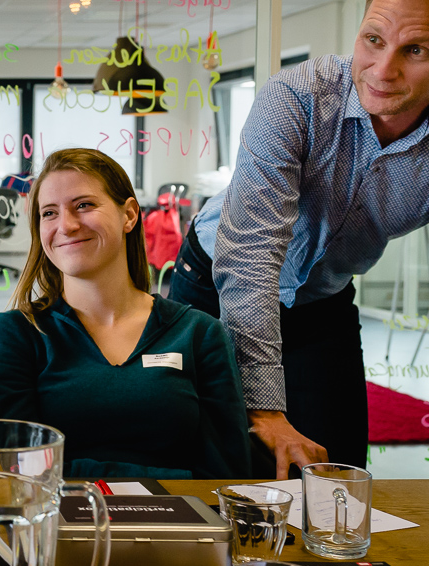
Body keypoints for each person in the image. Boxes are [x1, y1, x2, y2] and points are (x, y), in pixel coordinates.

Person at [168, 0, 429, 478]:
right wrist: (265, 411)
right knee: (203, 454)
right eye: (373, 40)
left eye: (415, 50)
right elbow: (252, 257)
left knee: (337, 469)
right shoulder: (295, 96)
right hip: (217, 275)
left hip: (323, 297)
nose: (383, 69)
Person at [0, 148, 250, 479]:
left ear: (129, 215)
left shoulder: (199, 334)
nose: (66, 225)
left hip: (179, 527)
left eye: (84, 205)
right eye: (49, 213)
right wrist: (167, 477)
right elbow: (20, 469)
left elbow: (226, 473)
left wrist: (71, 471)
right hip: (57, 525)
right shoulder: (17, 334)